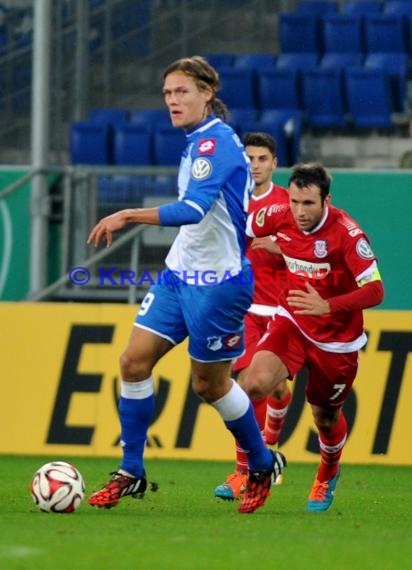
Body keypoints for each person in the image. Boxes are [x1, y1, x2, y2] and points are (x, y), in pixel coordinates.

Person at [86, 56, 286, 515]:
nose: (173, 101)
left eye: (182, 92)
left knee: (209, 386)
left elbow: (193, 210)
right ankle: (131, 470)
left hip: (218, 283)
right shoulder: (196, 141)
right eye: (168, 94)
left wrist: (128, 214)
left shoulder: (215, 144)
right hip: (180, 275)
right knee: (133, 363)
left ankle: (260, 462)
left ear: (207, 94)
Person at [244, 162, 384, 512]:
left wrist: (329, 305)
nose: (299, 211)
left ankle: (327, 473)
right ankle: (263, 462)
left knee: (325, 418)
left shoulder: (347, 233)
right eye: (294, 202)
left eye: (308, 203)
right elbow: (249, 226)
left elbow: (376, 291)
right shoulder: (280, 214)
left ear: (326, 201)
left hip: (337, 341)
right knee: (253, 384)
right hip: (292, 320)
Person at [214, 132, 292, 501]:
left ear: (274, 163)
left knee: (269, 387)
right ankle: (246, 470)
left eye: (262, 159)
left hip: (282, 311)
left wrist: (280, 248)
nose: (255, 165)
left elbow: (314, 252)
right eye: (250, 159)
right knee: (246, 387)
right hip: (244, 309)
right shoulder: (232, 198)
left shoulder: (288, 203)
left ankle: (266, 447)